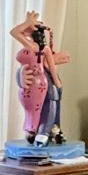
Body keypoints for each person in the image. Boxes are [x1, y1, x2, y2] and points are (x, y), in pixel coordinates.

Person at [9, 9, 72, 143]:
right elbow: (14, 33)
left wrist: (56, 81)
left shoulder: (39, 48)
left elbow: (51, 65)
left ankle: (47, 130)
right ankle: (35, 130)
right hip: (33, 82)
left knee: (48, 103)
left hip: (42, 81)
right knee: (33, 108)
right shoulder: (31, 46)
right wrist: (27, 23)